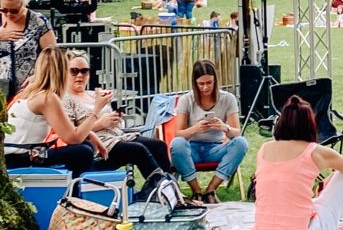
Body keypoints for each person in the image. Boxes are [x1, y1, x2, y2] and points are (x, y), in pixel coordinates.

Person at [252, 94, 343, 230]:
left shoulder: (265, 148)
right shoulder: (314, 151)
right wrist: (332, 178)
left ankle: (327, 227)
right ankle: (331, 228)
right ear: (310, 124)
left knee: (297, 200)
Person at [63, 51, 171, 192]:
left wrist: (115, 118)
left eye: (84, 71)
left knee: (158, 146)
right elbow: (71, 133)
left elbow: (111, 121)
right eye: (74, 71)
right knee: (137, 150)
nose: (80, 75)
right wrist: (101, 123)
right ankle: (164, 191)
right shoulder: (66, 99)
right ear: (65, 72)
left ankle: (165, 189)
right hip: (97, 146)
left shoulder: (94, 94)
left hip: (117, 136)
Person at [4, 47, 99, 184]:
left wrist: (89, 134)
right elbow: (73, 138)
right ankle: (74, 196)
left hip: (19, 154)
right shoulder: (47, 98)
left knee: (85, 145)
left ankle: (76, 189)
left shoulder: (30, 91)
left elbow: (63, 132)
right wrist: (97, 110)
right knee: (82, 151)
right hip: (19, 158)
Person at [170, 59, 249, 203]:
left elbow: (237, 133)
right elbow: (178, 133)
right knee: (177, 144)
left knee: (241, 143)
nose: (205, 88)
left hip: (215, 148)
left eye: (209, 83)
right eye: (201, 84)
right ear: (195, 83)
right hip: (191, 149)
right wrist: (196, 129)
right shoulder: (186, 100)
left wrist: (225, 128)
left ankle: (211, 190)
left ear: (215, 81)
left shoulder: (228, 99)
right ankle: (196, 191)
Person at [0, 0, 57, 100]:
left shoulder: (38, 21)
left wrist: (38, 76)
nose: (9, 14)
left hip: (28, 90)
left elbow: (52, 55)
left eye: (14, 10)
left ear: (24, 3)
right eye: (4, 10)